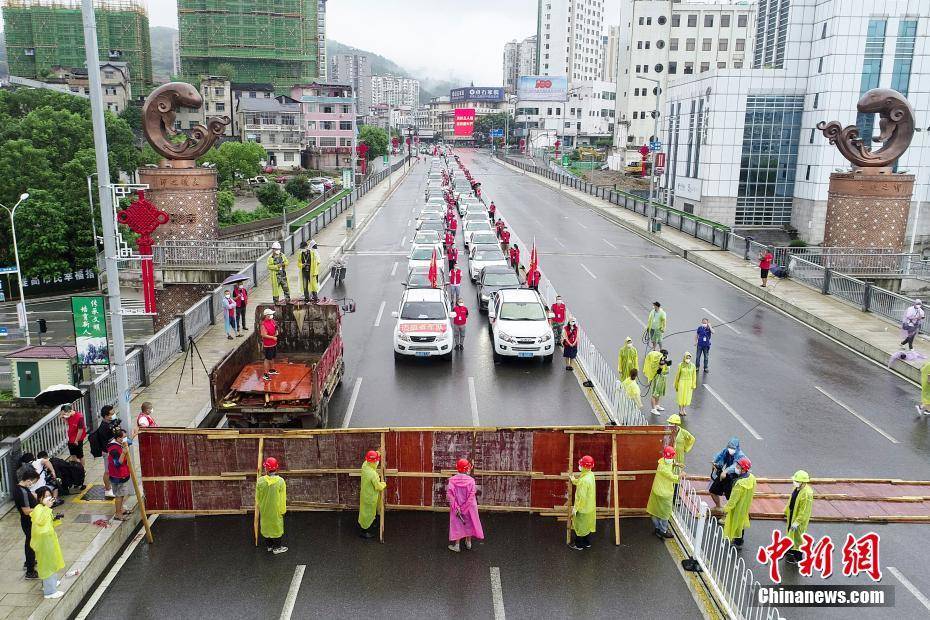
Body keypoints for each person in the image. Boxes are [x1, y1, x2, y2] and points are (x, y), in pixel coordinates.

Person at [31, 487, 65, 599]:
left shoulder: (44, 508)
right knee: (47, 565)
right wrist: (47, 507)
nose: (48, 498)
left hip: (49, 541)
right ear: (40, 498)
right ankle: (50, 592)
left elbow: (48, 523)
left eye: (49, 495)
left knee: (52, 562)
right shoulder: (38, 509)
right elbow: (40, 521)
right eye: (45, 496)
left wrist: (56, 518)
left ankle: (52, 583)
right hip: (44, 543)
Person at [446, 459, 484, 552]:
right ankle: (468, 542)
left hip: (457, 507)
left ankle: (457, 545)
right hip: (470, 508)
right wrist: (464, 508)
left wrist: (457, 508)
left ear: (457, 468)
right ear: (467, 469)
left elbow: (450, 496)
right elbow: (471, 496)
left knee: (457, 524)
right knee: (469, 523)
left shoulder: (452, 481)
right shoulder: (471, 481)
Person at [646, 446, 679, 540]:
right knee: (665, 513)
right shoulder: (664, 468)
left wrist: (676, 464)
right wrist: (680, 475)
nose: (670, 459)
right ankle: (663, 530)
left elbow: (669, 462)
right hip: (665, 493)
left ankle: (657, 528)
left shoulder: (662, 461)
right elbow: (672, 477)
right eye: (671, 457)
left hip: (656, 491)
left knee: (655, 511)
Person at [256, 456, 288, 554]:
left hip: (264, 509)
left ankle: (269, 546)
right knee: (276, 527)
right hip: (276, 509)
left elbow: (258, 497)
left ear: (266, 468)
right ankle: (277, 548)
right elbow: (282, 498)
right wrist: (282, 510)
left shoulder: (260, 481)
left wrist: (260, 506)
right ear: (276, 468)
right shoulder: (280, 481)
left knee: (266, 527)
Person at [722, 457, 756, 549]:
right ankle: (739, 540)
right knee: (741, 523)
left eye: (738, 466)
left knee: (736, 523)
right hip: (745, 505)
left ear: (744, 469)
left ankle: (738, 542)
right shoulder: (751, 478)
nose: (736, 468)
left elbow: (733, 499)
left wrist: (726, 508)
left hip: (737, 507)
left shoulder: (740, 484)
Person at [14, 465, 40, 580]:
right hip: (28, 521)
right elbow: (26, 511)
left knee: (29, 542)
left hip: (27, 522)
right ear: (28, 480)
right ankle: (30, 571)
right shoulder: (22, 492)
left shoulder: (19, 488)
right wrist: (41, 509)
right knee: (30, 544)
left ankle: (29, 562)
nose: (32, 484)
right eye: (33, 482)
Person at [709, 437, 745, 511]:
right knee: (713, 490)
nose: (730, 449)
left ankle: (728, 514)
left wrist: (725, 471)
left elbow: (735, 466)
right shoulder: (726, 451)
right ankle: (718, 506)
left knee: (730, 496)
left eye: (732, 448)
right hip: (725, 474)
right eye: (729, 447)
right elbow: (719, 456)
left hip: (734, 476)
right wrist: (714, 462)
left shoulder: (740, 455)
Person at [106, 427, 134, 521]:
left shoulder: (119, 443)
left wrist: (134, 434)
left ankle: (121, 509)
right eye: (124, 437)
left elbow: (129, 442)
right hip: (117, 476)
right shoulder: (114, 449)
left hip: (122, 474)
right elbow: (118, 463)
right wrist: (123, 453)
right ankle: (118, 514)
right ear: (118, 439)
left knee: (122, 494)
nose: (126, 439)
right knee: (119, 495)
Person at [568, 455, 596, 550]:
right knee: (587, 526)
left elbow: (581, 497)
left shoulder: (584, 480)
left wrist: (576, 509)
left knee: (579, 527)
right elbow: (580, 482)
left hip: (583, 509)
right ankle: (587, 543)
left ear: (584, 466)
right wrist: (573, 480)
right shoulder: (590, 475)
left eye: (581, 464)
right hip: (590, 507)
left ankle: (579, 545)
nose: (579, 466)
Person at [358, 450, 386, 539]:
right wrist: (384, 484)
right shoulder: (373, 474)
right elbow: (378, 487)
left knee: (364, 512)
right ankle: (365, 531)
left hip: (364, 494)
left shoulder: (365, 465)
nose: (377, 462)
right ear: (374, 462)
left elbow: (373, 459)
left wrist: (378, 452)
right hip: (370, 496)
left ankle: (367, 524)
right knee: (368, 513)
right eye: (376, 461)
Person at [94, 405, 118, 498]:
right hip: (107, 452)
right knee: (108, 471)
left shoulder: (111, 422)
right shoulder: (103, 428)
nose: (113, 415)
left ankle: (111, 486)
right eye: (111, 414)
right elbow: (105, 443)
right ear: (105, 416)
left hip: (113, 450)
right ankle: (108, 490)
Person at [643, 349, 670, 415]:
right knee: (654, 393)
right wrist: (661, 367)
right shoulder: (658, 360)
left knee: (659, 392)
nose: (666, 357)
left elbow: (666, 367)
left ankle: (657, 405)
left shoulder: (662, 360)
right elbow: (660, 367)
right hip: (656, 378)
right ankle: (653, 408)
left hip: (662, 377)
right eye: (665, 355)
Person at [260, 308, 279, 381]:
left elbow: (275, 327)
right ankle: (265, 374)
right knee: (267, 359)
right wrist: (272, 338)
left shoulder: (272, 321)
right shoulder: (263, 324)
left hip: (273, 343)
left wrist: (276, 331)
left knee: (272, 357)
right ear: (266, 315)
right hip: (268, 344)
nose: (272, 316)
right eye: (270, 314)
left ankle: (272, 369)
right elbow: (263, 334)